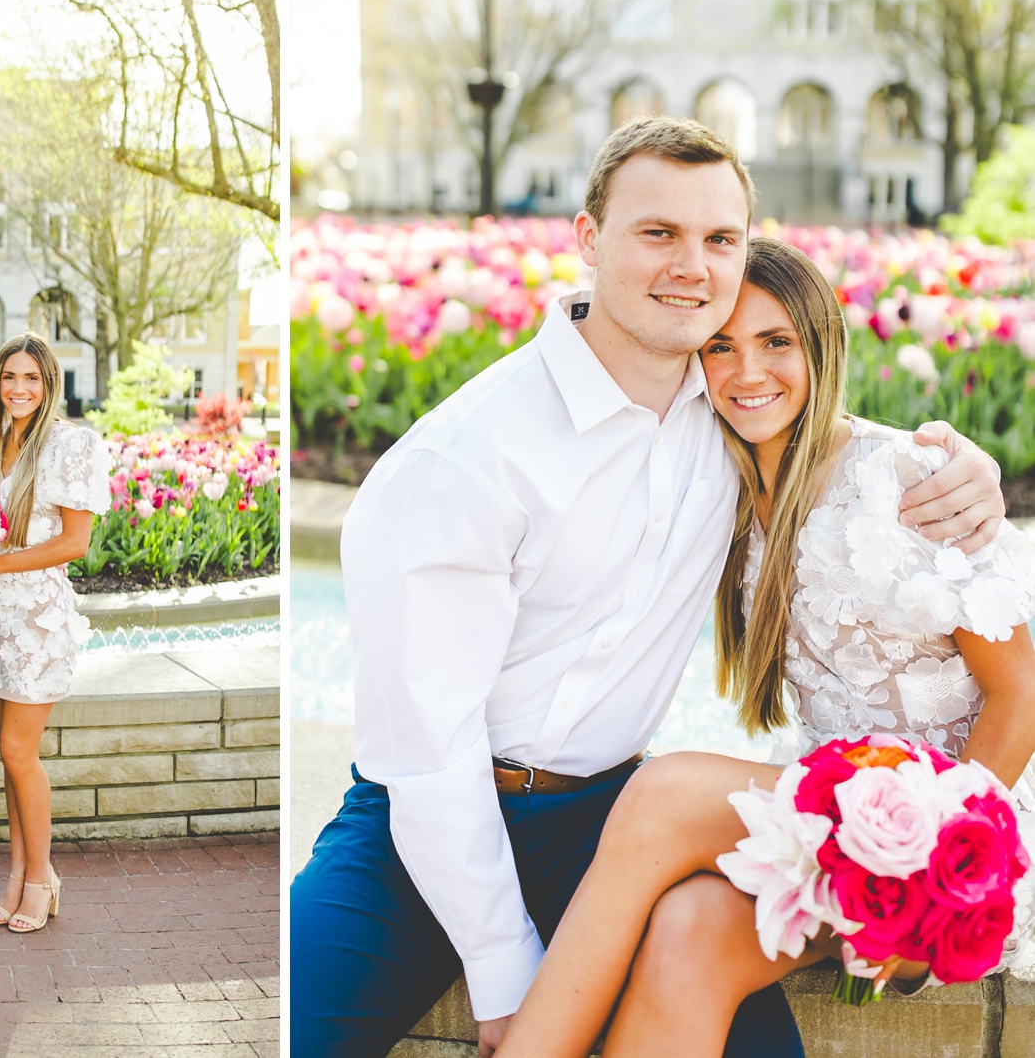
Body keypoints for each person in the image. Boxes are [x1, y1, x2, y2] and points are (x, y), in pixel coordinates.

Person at [288, 117, 1011, 1058]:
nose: (692, 266)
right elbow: (426, 759)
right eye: (657, 232)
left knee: (736, 1031)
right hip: (416, 826)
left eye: (719, 239)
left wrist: (961, 468)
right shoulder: (462, 462)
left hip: (605, 819)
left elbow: (820, 432)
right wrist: (507, 973)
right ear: (588, 240)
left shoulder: (724, 417)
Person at [493, 238, 1035, 1057]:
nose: (748, 371)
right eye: (721, 345)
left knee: (662, 793)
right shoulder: (720, 483)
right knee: (687, 928)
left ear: (819, 342)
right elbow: (602, 318)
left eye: (776, 341)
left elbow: (1023, 693)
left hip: (959, 847)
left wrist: (934, 881)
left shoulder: (907, 477)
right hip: (837, 823)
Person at [0, 333, 111, 933]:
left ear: (50, 384)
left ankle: (42, 880)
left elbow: (75, 542)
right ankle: (19, 875)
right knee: (11, 758)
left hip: (38, 623)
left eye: (33, 379)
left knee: (20, 751)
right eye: (9, 377)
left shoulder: (71, 443)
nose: (19, 389)